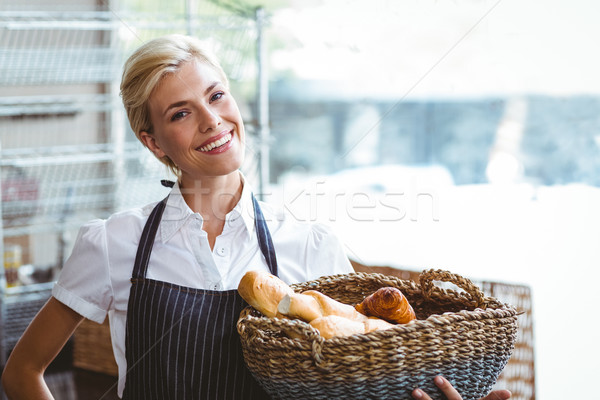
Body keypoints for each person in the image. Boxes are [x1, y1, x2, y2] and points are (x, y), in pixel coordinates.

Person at [1, 34, 510, 400]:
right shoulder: (115, 243)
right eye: (180, 113)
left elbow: (358, 386)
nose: (212, 120)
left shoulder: (311, 246)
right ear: (153, 143)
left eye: (217, 95)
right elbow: (22, 371)